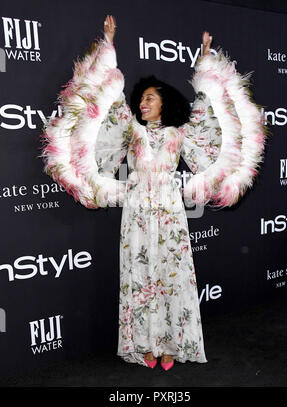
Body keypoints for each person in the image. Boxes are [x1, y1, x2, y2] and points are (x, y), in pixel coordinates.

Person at [40, 14, 266, 371]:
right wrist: (108, 47)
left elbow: (207, 117)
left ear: (163, 103)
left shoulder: (179, 135)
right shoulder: (131, 130)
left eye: (149, 99)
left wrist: (205, 58)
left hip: (171, 213)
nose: (142, 104)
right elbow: (107, 106)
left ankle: (172, 343)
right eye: (141, 99)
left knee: (171, 276)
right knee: (140, 278)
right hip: (136, 215)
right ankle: (144, 343)